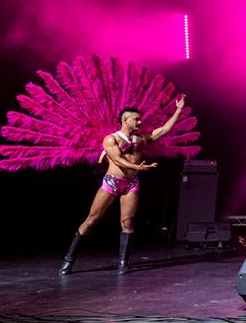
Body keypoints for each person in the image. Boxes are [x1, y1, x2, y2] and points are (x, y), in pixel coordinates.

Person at [59, 96, 186, 275]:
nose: (140, 121)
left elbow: (164, 129)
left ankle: (123, 262)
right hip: (112, 182)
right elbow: (117, 160)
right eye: (136, 119)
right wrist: (139, 167)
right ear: (125, 120)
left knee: (127, 223)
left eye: (140, 119)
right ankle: (69, 259)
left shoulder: (141, 139)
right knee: (92, 220)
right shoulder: (111, 140)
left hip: (131, 183)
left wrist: (179, 110)